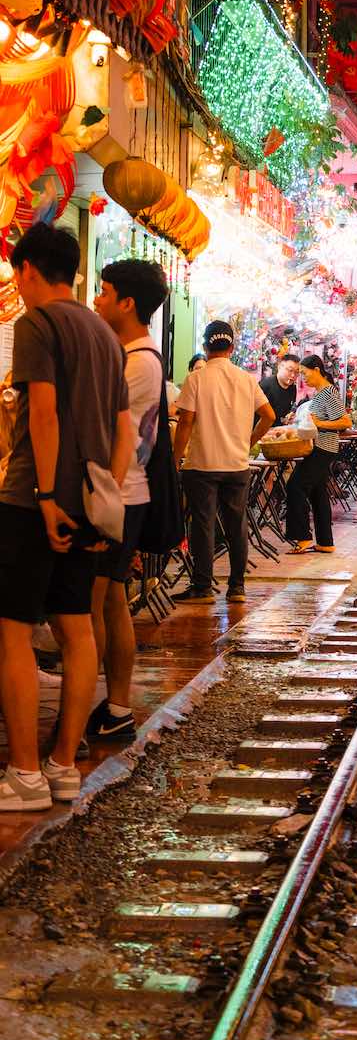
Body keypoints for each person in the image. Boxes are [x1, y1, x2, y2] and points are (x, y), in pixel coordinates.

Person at [0, 225, 134, 811]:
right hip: (91, 500)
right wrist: (102, 489)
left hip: (34, 500)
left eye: (16, 275)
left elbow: (46, 415)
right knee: (77, 631)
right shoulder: (106, 337)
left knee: (13, 632)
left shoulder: (37, 324)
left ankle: (23, 774)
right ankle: (62, 767)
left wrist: (50, 494)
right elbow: (124, 434)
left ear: (29, 269)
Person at [88, 259, 168, 743]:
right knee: (112, 602)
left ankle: (79, 714)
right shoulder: (135, 355)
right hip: (125, 495)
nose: (96, 300)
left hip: (116, 496)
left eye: (103, 292)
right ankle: (115, 706)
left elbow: (98, 427)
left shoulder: (136, 361)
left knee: (88, 609)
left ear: (127, 303)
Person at [172, 321, 274, 605]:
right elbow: (269, 415)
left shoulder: (196, 379)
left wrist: (174, 458)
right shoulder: (245, 379)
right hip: (236, 464)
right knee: (236, 524)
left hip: (201, 464)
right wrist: (248, 441)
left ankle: (203, 586)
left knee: (203, 524)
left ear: (205, 347)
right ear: (232, 347)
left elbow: (185, 423)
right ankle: (237, 587)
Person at [286, 356, 347, 553]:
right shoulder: (320, 393)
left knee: (295, 486)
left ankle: (302, 537)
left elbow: (345, 422)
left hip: (322, 449)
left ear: (317, 370)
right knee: (318, 493)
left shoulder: (328, 392)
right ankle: (325, 542)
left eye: (304, 373)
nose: (302, 378)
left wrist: (318, 424)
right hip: (318, 447)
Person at [261, 355, 300, 426]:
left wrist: (289, 416)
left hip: (280, 431)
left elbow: (288, 410)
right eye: (290, 370)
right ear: (279, 367)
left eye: (297, 372)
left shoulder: (292, 387)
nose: (293, 375)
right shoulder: (265, 386)